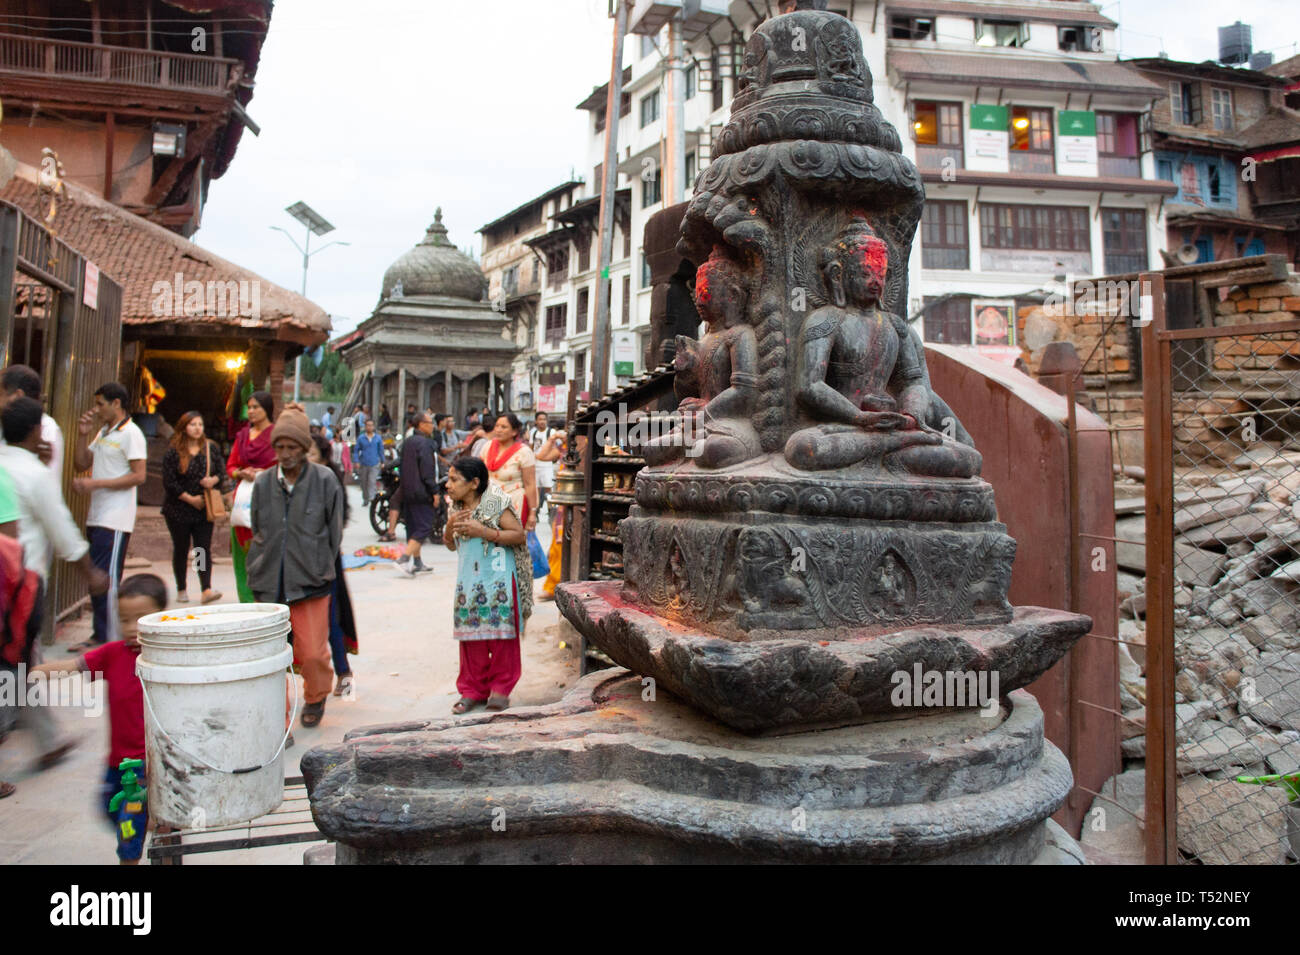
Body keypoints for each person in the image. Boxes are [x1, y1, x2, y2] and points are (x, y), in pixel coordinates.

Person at [0, 398, 109, 787]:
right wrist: (90, 571)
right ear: (35, 432)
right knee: (10, 668)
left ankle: (47, 740)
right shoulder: (31, 473)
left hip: (11, 582)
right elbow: (61, 526)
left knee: (20, 665)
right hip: (19, 585)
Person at [31, 574, 167, 864]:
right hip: (116, 764)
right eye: (125, 619)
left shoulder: (167, 658)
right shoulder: (113, 654)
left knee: (128, 834)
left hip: (148, 766)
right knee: (107, 809)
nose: (131, 628)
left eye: (141, 618)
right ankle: (155, 827)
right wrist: (39, 671)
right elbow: (75, 666)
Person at [246, 410, 343, 728]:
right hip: (269, 579)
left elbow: (334, 531)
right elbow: (258, 525)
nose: (285, 454)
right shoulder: (262, 483)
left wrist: (319, 564)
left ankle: (315, 697)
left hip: (311, 579)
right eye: (280, 448)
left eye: (292, 447)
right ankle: (278, 714)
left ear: (304, 448)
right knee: (271, 656)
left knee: (312, 653)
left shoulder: (325, 480)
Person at [443, 456, 532, 714]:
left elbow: (518, 535)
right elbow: (450, 545)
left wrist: (483, 531)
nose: (448, 485)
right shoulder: (456, 507)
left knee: (502, 636)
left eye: (453, 480)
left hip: (499, 579)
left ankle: (500, 690)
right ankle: (471, 691)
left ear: (474, 483)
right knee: (472, 639)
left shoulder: (494, 502)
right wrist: (450, 527)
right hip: (469, 581)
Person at [69, 382, 146, 652]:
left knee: (108, 579)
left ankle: (109, 638)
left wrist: (94, 484)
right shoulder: (104, 431)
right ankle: (100, 634)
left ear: (116, 404)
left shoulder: (131, 434)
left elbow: (139, 475)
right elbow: (81, 463)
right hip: (98, 515)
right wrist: (82, 435)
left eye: (101, 403)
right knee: (99, 576)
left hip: (115, 518)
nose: (97, 408)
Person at [310, 434, 357, 698]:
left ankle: (343, 671)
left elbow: (338, 520)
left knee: (331, 616)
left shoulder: (328, 478)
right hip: (294, 560)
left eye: (309, 452)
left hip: (324, 558)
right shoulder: (287, 478)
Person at [161, 411, 223, 606]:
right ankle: (181, 588)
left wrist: (212, 480)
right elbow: (169, 482)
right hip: (178, 508)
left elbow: (221, 471)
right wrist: (189, 499)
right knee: (180, 548)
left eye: (200, 424)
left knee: (202, 549)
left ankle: (206, 588)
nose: (198, 428)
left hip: (203, 509)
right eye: (193, 424)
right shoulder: (173, 451)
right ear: (184, 427)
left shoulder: (209, 448)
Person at [227, 390, 276, 603]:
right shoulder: (243, 436)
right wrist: (241, 473)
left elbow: (281, 466)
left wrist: (262, 474)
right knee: (242, 555)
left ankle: (266, 600)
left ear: (267, 409)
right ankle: (246, 601)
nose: (251, 411)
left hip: (267, 500)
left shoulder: (276, 435)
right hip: (243, 500)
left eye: (256, 407)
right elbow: (231, 466)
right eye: (250, 407)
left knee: (265, 553)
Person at [396, 413, 438, 577]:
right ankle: (404, 558)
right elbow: (427, 470)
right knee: (424, 526)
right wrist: (434, 491)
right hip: (421, 491)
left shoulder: (409, 442)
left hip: (408, 490)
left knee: (413, 526)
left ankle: (417, 562)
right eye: (429, 422)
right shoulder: (425, 444)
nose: (432, 425)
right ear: (421, 424)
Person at [0, 364, 63, 474]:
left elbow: (45, 481)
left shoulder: (46, 428)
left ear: (17, 396)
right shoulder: (5, 422)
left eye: (0, 394)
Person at [484, 413, 538, 539]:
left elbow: (530, 484)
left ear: (514, 432)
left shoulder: (524, 452)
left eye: (504, 427)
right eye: (497, 426)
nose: (498, 430)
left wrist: (532, 513)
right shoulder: (487, 447)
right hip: (490, 503)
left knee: (510, 545)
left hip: (514, 504)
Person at [528, 412, 562, 522]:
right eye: (540, 419)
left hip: (547, 465)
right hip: (536, 465)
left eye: (544, 419)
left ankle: (550, 512)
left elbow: (558, 447)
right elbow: (531, 447)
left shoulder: (551, 432)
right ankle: (535, 512)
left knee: (549, 489)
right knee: (536, 490)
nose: (542, 421)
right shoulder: (533, 433)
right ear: (536, 421)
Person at [353, 418, 383, 506]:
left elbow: (380, 450)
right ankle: (365, 498)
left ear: (373, 427)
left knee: (372, 481)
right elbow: (356, 450)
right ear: (365, 427)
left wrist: (383, 461)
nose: (369, 427)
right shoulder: (361, 438)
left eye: (371, 425)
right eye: (368, 425)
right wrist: (356, 461)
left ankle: (372, 498)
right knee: (364, 482)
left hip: (374, 463)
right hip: (364, 463)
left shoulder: (378, 438)